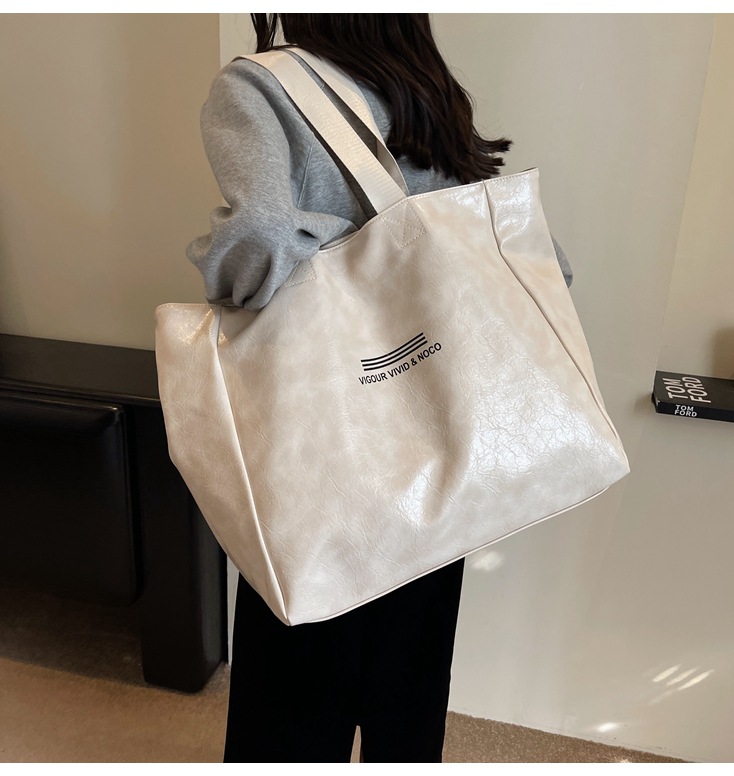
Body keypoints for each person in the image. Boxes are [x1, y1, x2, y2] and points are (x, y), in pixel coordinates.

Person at [187, 13, 572, 763]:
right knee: (409, 693)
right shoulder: (424, 87)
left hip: (321, 448)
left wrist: (222, 266)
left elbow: (261, 238)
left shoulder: (257, 86)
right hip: (436, 444)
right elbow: (544, 265)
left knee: (293, 689)